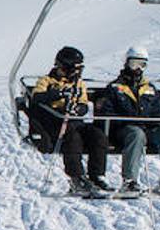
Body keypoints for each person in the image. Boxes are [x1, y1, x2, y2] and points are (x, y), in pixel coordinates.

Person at [98, 47, 160, 198]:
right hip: (124, 130)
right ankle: (130, 180)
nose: (138, 69)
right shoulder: (115, 88)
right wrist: (126, 120)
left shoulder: (149, 89)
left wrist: (154, 122)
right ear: (126, 63)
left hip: (148, 129)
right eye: (134, 64)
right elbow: (106, 112)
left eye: (142, 65)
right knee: (136, 134)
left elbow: (159, 112)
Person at [30, 46, 111, 193]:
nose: (77, 73)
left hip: (75, 121)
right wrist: (58, 93)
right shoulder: (47, 81)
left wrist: (78, 109)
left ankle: (97, 176)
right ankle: (76, 178)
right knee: (72, 137)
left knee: (98, 136)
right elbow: (37, 97)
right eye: (75, 69)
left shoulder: (78, 83)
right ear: (65, 67)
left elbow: (84, 104)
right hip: (55, 122)